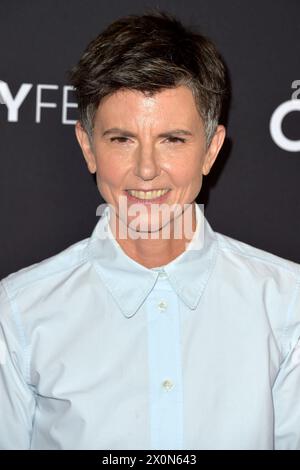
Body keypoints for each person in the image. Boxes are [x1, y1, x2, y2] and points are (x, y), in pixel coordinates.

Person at [0, 10, 299, 451]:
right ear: (88, 146)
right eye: (122, 139)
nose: (145, 170)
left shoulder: (286, 302)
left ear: (211, 149)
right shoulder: (21, 312)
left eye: (172, 140)